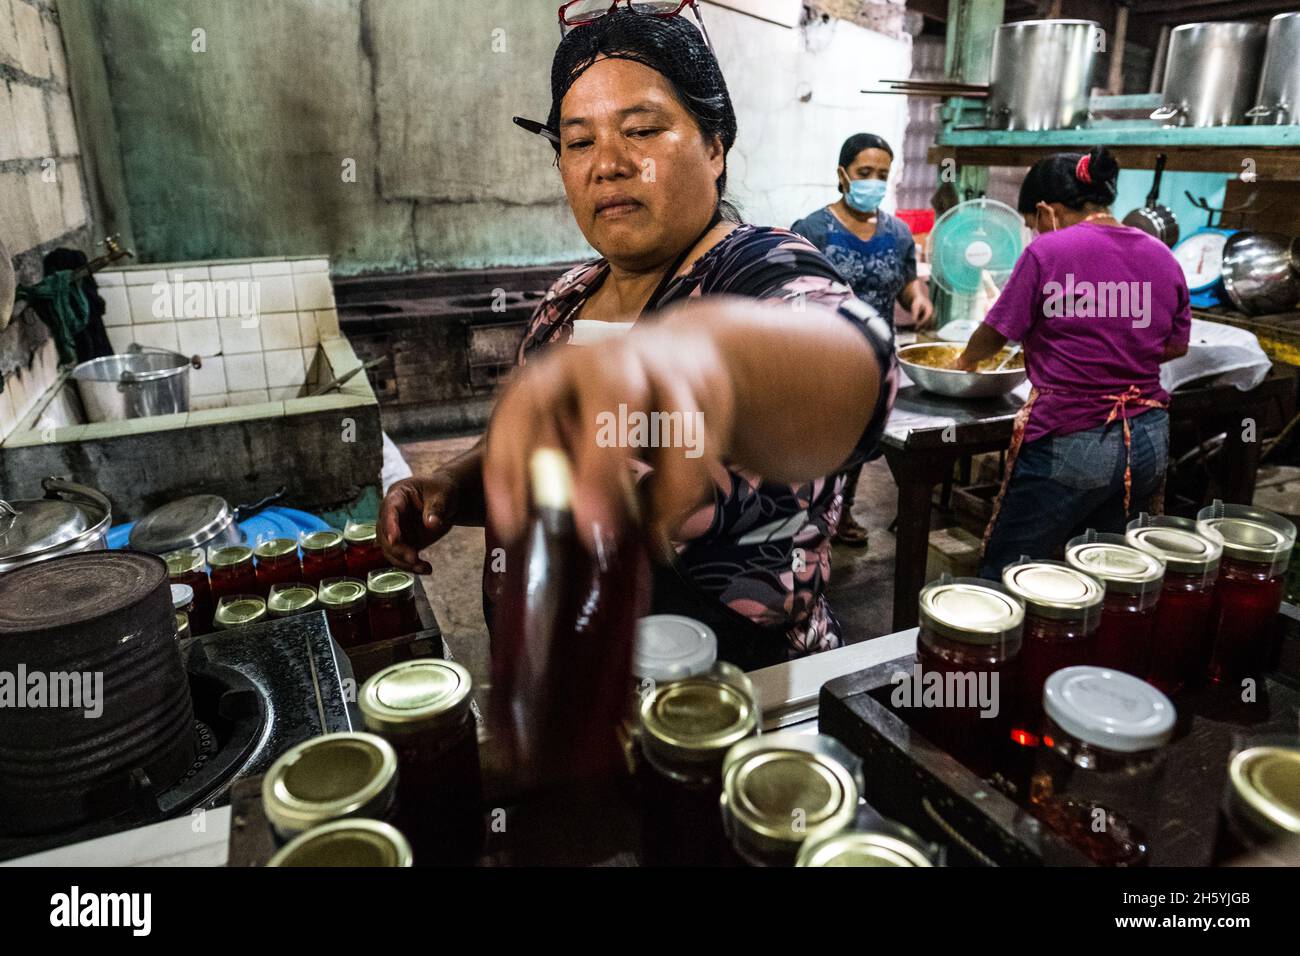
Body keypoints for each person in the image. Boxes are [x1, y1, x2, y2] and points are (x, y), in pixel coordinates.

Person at [378, 5, 897, 670]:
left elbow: (857, 364)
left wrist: (696, 360)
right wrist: (449, 484)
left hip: (729, 704)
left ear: (715, 147)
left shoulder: (758, 269)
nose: (609, 165)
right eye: (579, 141)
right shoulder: (568, 301)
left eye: (643, 130)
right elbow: (536, 450)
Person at [953, 147, 1191, 579]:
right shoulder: (1162, 255)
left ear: (1047, 211)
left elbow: (995, 334)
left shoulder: (1049, 252)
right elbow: (1174, 347)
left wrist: (964, 360)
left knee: (1011, 572)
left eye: (1030, 224)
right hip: (1148, 441)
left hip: (1074, 439)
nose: (1032, 233)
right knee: (1106, 573)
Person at [791, 133, 932, 547]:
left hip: (875, 362)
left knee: (858, 448)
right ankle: (803, 519)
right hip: (821, 362)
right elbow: (792, 293)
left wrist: (918, 300)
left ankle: (843, 510)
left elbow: (906, 284)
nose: (873, 182)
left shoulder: (899, 234)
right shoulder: (812, 230)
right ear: (843, 174)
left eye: (882, 175)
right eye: (864, 173)